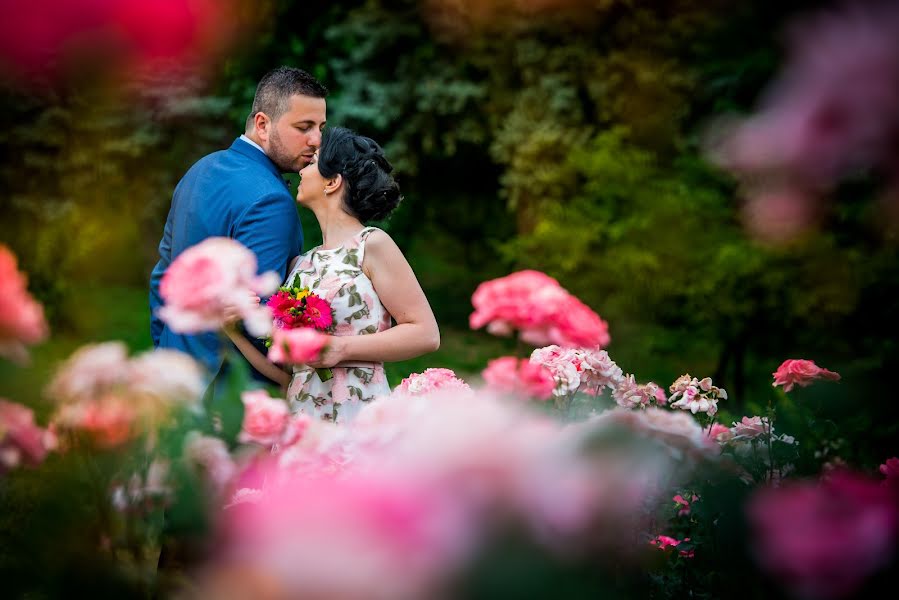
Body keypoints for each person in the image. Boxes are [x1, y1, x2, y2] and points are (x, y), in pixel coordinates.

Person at [226, 127, 440, 423]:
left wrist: (340, 349)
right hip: (304, 427)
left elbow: (425, 333)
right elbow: (289, 377)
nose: (302, 170)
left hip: (359, 422)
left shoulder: (371, 244)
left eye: (312, 162)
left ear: (332, 181)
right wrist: (234, 331)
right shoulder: (299, 265)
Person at [148, 67, 328, 385]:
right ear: (262, 124)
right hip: (228, 392)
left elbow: (162, 279)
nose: (316, 140)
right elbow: (256, 318)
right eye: (304, 127)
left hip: (172, 375)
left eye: (320, 127)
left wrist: (167, 352)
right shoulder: (271, 200)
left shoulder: (200, 170)